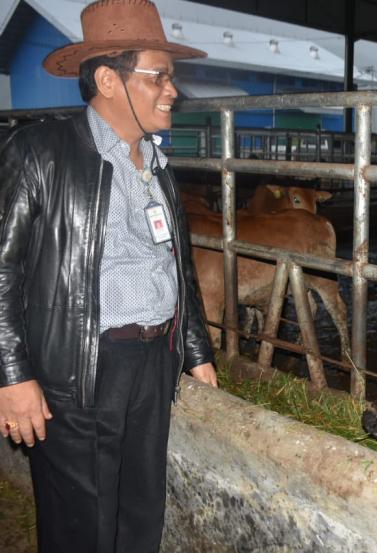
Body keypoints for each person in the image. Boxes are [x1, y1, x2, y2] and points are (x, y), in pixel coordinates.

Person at [0, 1, 218, 551]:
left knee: (141, 508)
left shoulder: (158, 167)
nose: (173, 90)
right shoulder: (40, 153)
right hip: (77, 367)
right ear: (108, 79)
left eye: (172, 77)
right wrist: (11, 376)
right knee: (81, 522)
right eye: (159, 76)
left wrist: (197, 353)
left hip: (153, 363)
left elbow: (179, 268)